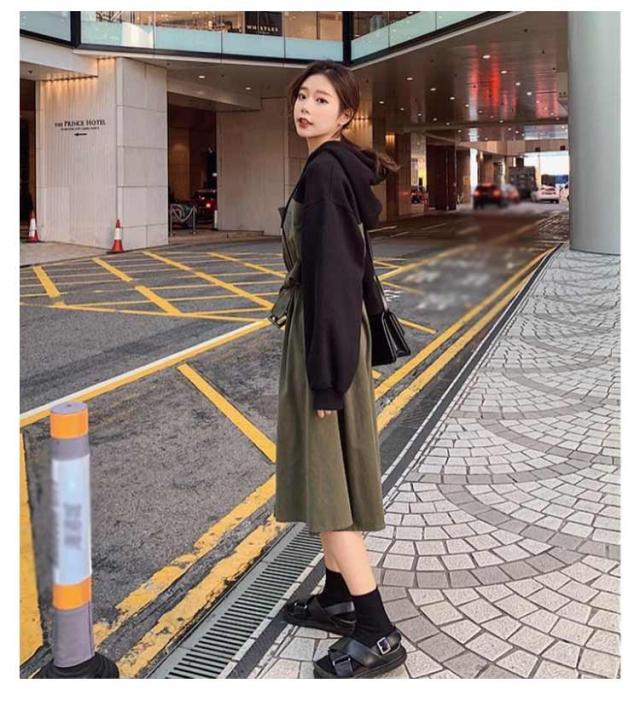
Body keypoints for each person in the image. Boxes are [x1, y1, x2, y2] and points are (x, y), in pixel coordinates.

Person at [270, 59, 405, 679]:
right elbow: (350, 268)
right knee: (326, 475)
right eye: (303, 96)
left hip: (325, 344)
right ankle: (336, 596)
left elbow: (332, 281)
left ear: (346, 114)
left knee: (330, 486)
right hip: (329, 337)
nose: (306, 106)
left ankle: (376, 631)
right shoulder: (332, 165)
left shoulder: (326, 172)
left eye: (321, 99)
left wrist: (325, 379)